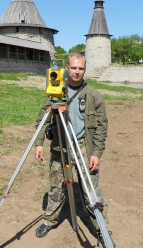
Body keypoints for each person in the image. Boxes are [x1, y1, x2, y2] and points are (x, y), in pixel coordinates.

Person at [34, 53, 111, 246]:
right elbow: (42, 119)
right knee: (55, 188)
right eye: (74, 68)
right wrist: (38, 143)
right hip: (60, 148)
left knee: (91, 192)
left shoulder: (93, 95)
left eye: (81, 68)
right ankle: (50, 220)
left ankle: (102, 229)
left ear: (85, 70)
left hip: (84, 148)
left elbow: (102, 127)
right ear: (66, 68)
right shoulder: (56, 91)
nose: (77, 72)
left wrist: (97, 153)